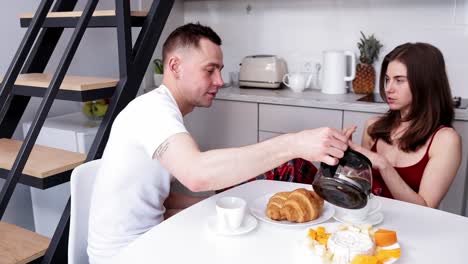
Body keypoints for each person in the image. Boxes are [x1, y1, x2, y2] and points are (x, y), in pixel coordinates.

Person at [87, 23, 349, 263]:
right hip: (126, 255)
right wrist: (294, 143)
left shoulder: (161, 109)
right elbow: (197, 174)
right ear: (175, 66)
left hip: (147, 240)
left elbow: (157, 199)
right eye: (209, 70)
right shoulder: (153, 111)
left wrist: (232, 208)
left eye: (220, 70)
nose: (220, 81)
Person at [349, 42, 462, 208]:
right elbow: (360, 188)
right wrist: (348, 158)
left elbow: (426, 209)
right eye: (387, 80)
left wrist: (384, 165)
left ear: (425, 83)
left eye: (399, 81)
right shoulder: (373, 127)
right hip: (368, 223)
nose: (388, 88)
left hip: (412, 230)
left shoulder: (445, 140)